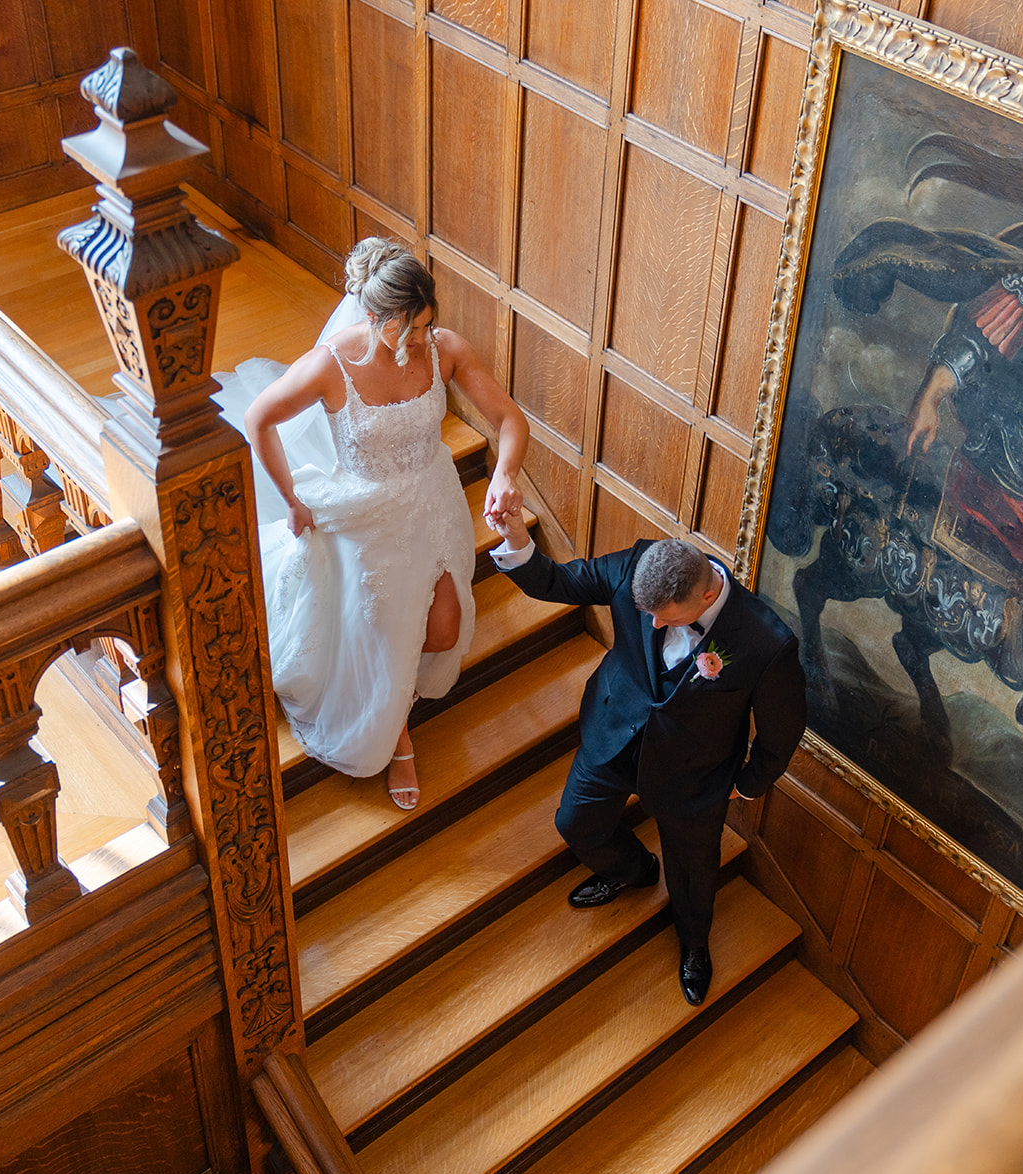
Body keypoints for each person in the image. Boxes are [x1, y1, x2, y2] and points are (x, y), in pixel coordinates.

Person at [221, 238, 528, 810]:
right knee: (385, 629)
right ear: (371, 315)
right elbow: (257, 417)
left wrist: (505, 474)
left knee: (442, 627)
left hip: (433, 501)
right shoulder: (330, 365)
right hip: (367, 520)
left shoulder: (444, 349)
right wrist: (291, 499)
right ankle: (397, 734)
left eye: (425, 327)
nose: (417, 344)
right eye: (404, 330)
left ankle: (400, 699)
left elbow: (509, 417)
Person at [490, 515, 806, 1005]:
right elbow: (559, 580)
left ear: (705, 596)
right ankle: (632, 871)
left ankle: (694, 944)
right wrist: (515, 538)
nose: (654, 624)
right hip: (614, 731)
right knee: (576, 823)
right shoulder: (640, 563)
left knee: (694, 871)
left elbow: (782, 731)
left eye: (666, 616)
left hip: (695, 774)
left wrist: (747, 784)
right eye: (648, 613)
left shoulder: (767, 642)